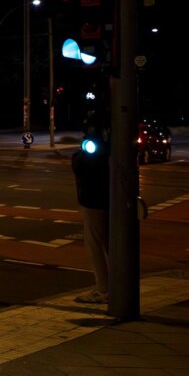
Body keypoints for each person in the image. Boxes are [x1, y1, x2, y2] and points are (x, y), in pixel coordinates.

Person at [71, 126, 110, 304]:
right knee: (109, 245)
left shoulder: (94, 145)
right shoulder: (113, 137)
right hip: (109, 199)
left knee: (95, 244)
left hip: (94, 199)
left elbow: (82, 167)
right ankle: (112, 286)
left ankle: (103, 288)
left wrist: (79, 155)